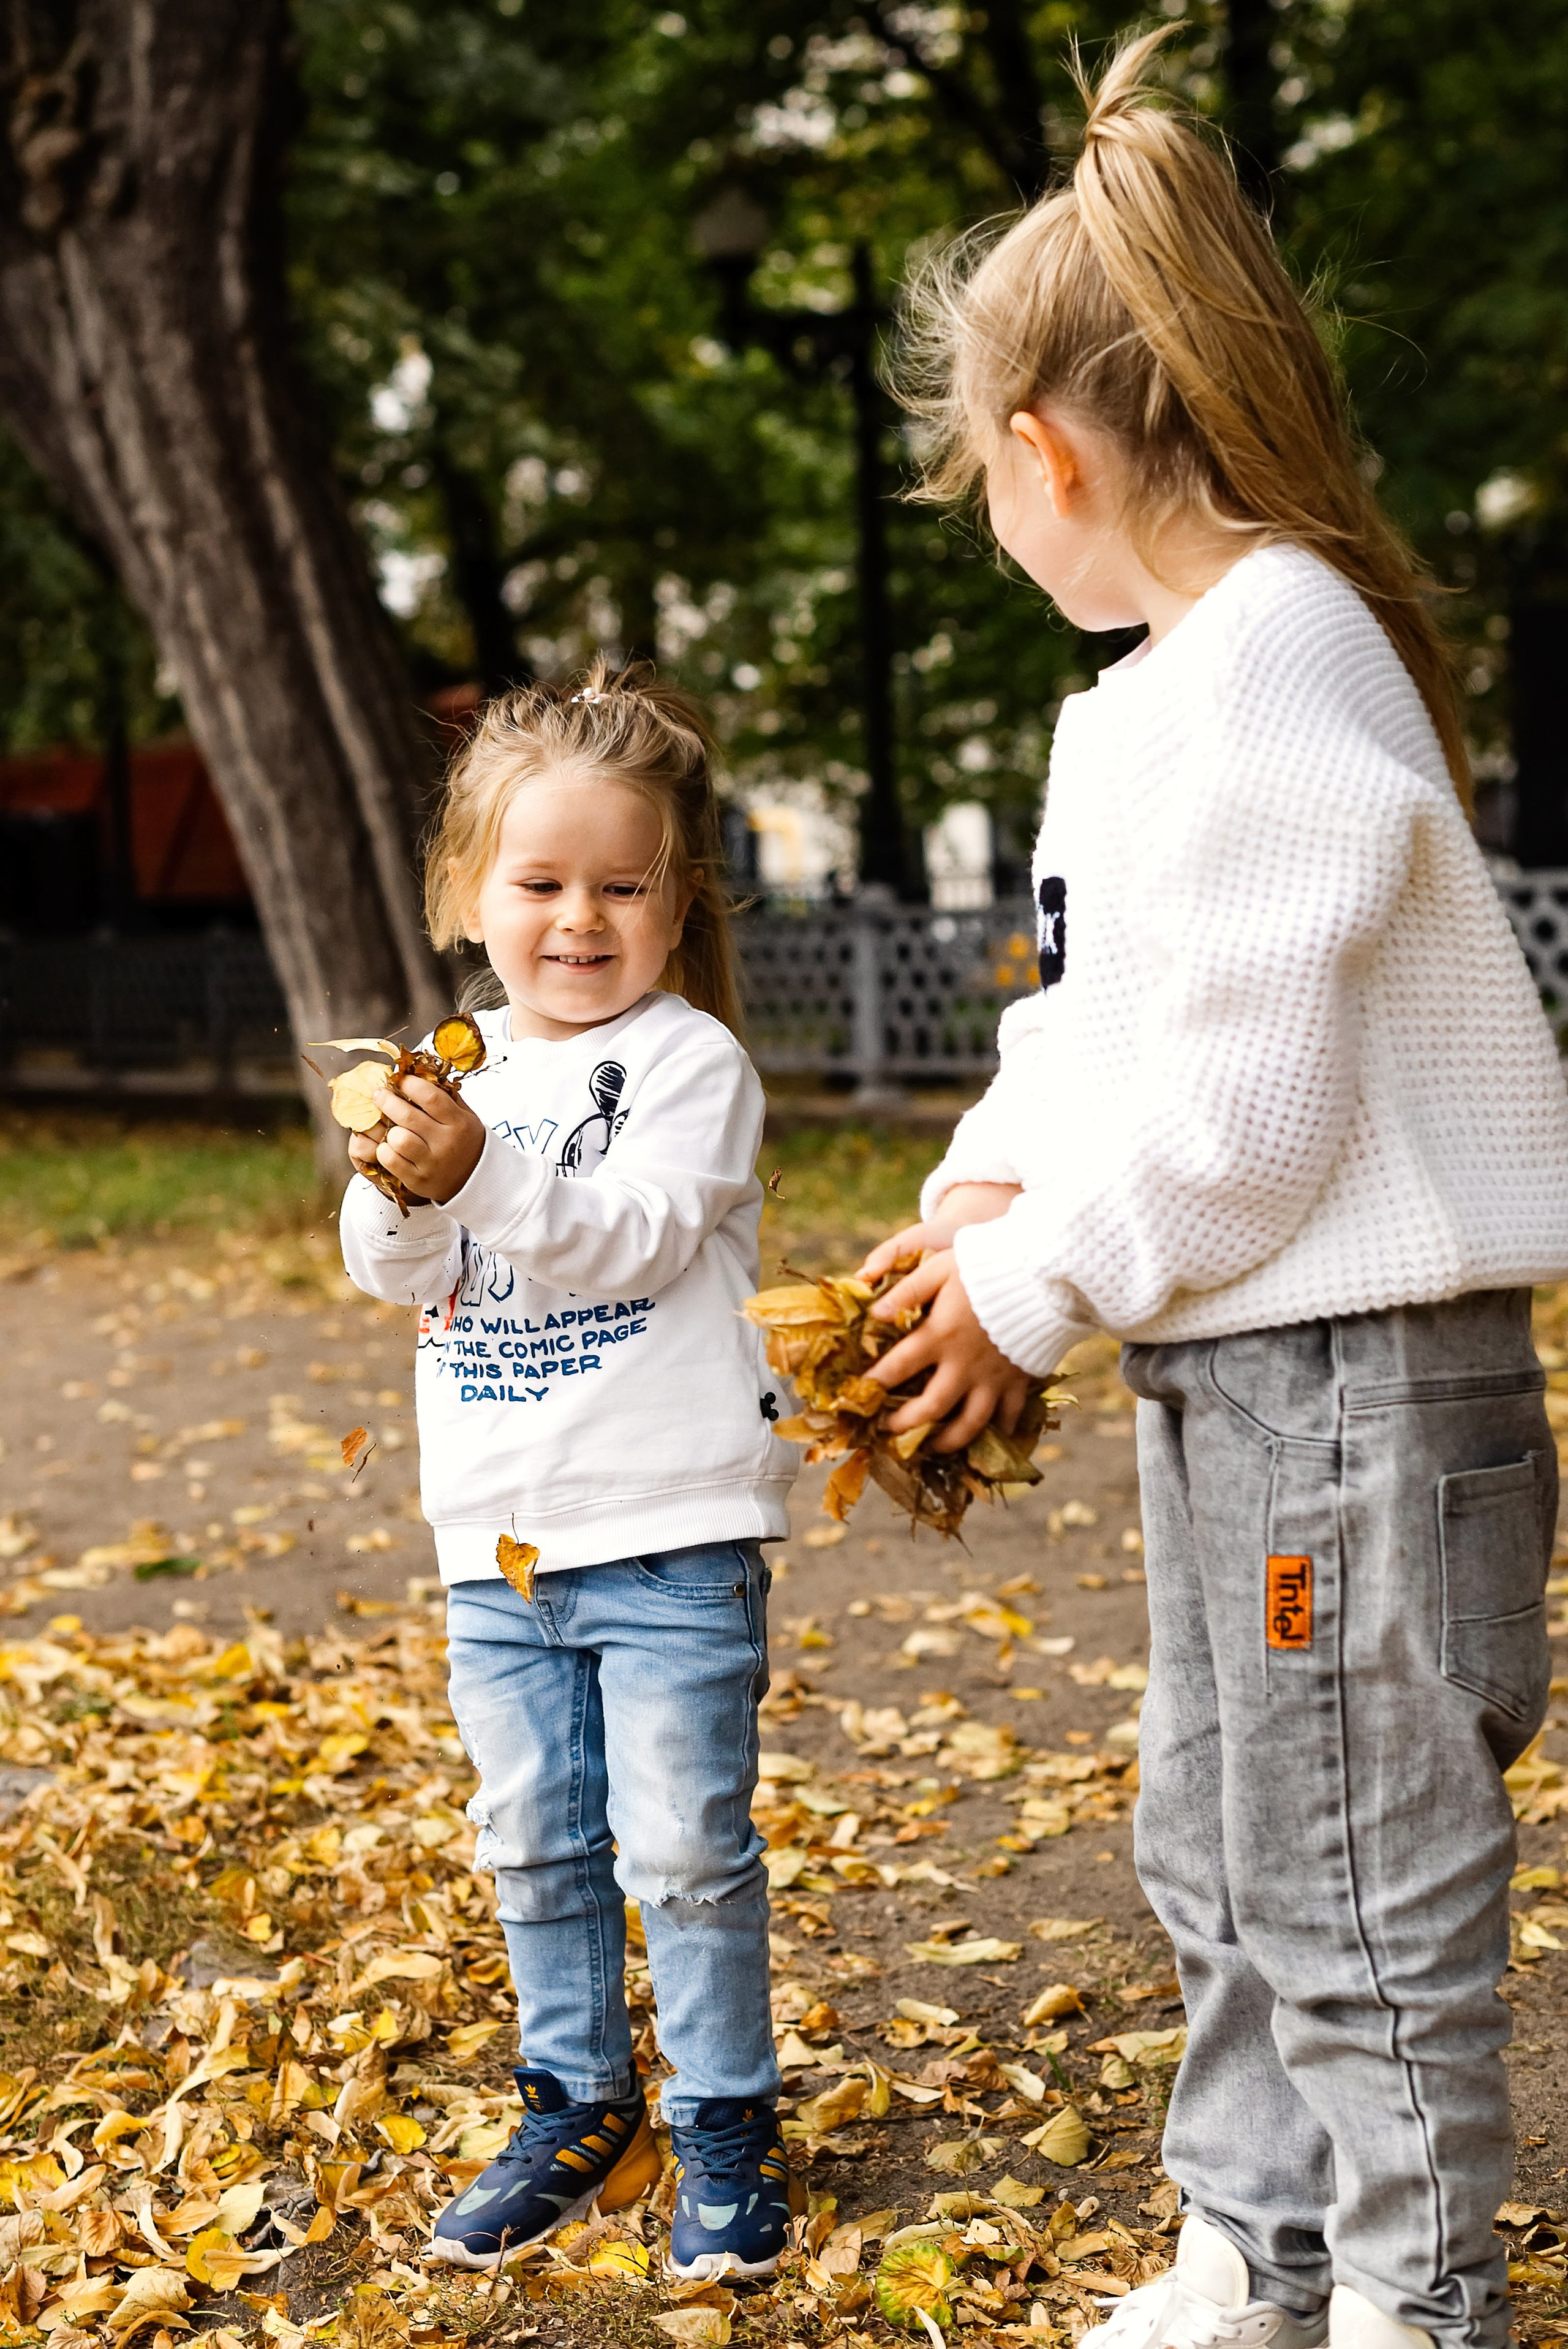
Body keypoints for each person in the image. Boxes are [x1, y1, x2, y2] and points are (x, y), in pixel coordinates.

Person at [862, 29, 1568, 2349]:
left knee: (1357, 1860)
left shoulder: (1276, 654)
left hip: (1354, 1389)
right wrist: (986, 1196)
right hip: (1248, 1384)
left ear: (1048, 451)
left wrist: (1046, 1281)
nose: (985, 511)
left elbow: (1252, 1105)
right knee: (1227, 1834)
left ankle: (1409, 2290)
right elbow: (1098, 1027)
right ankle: (1254, 2250)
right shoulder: (1152, 694)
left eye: (979, 473)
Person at [337, 661, 801, 2280]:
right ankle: (576, 2094)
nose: (579, 919)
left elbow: (631, 1237)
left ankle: (727, 2119)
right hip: (501, 1546)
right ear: (472, 893)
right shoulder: (454, 1065)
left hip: (672, 1529)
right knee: (533, 1836)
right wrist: (400, 1182)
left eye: (622, 885)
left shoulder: (693, 1066)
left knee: (682, 1842)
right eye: (541, 883)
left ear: (680, 902)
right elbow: (393, 1268)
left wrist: (482, 1169)